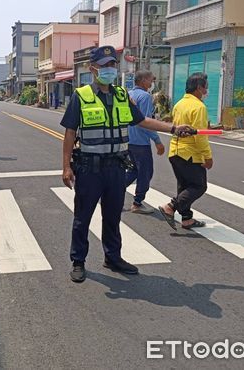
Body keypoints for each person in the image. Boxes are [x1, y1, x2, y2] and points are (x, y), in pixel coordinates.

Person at [61, 45, 192, 283]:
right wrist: (66, 167)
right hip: (89, 168)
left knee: (112, 216)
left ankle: (113, 257)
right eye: (105, 65)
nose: (110, 69)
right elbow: (70, 132)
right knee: (83, 217)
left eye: (113, 64)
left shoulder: (122, 95)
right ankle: (78, 261)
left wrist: (173, 129)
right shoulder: (81, 96)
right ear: (93, 69)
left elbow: (142, 121)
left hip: (116, 168)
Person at [158, 72, 212, 231]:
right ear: (199, 88)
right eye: (205, 88)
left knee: (184, 186)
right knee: (198, 186)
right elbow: (200, 135)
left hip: (175, 150)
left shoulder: (179, 104)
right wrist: (207, 157)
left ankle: (187, 218)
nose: (206, 91)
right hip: (189, 153)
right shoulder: (199, 106)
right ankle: (170, 206)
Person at [125, 70, 165, 214]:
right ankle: (137, 203)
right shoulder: (145, 96)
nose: (152, 83)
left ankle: (110, 190)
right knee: (146, 172)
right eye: (150, 80)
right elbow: (147, 122)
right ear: (142, 81)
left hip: (128, 140)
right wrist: (157, 140)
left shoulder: (128, 95)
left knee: (134, 170)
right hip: (141, 142)